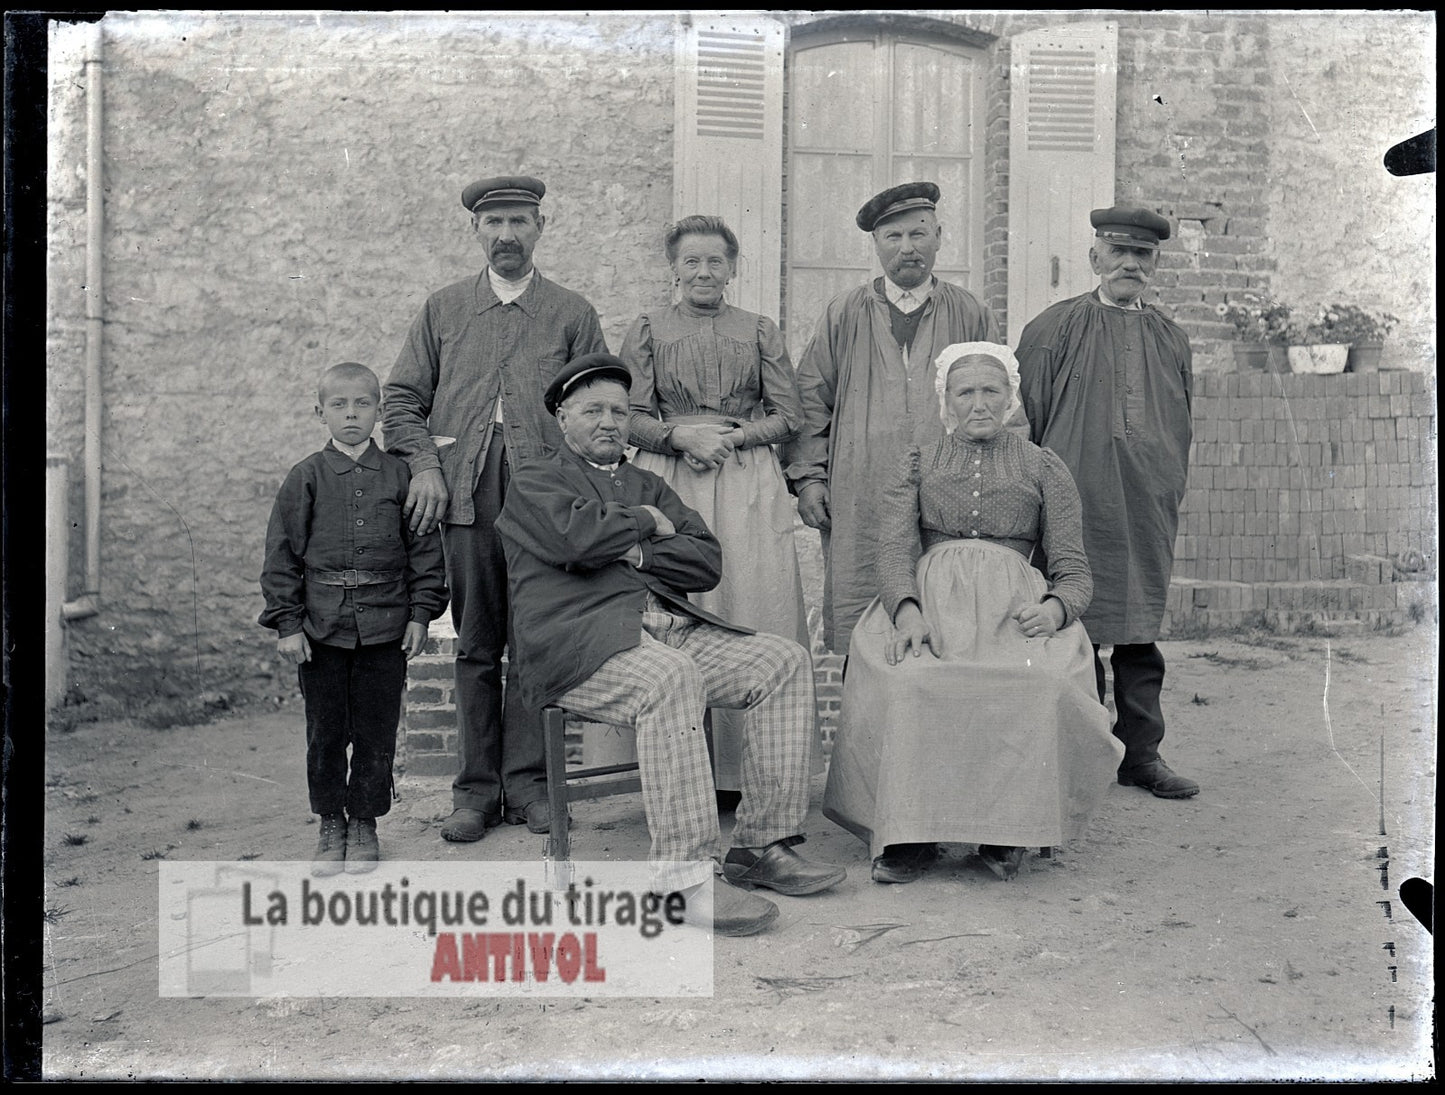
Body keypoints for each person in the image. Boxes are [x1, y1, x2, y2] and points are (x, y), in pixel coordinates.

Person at [494, 352, 846, 936]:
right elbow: (576, 541)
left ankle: (763, 845)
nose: (609, 422)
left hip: (665, 630)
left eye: (618, 411)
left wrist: (631, 544)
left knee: (782, 660)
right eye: (592, 411)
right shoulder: (536, 478)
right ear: (561, 418)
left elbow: (705, 561)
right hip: (577, 644)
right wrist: (647, 524)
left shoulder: (648, 480)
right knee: (670, 678)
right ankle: (683, 881)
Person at [822, 343, 1123, 885]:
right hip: (931, 608)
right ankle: (910, 834)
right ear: (946, 400)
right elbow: (893, 551)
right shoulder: (917, 461)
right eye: (966, 392)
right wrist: (907, 611)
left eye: (992, 391)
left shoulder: (1043, 466)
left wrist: (1055, 610)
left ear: (1010, 399)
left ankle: (1008, 830)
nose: (979, 403)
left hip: (1014, 612)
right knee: (910, 683)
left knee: (1041, 685)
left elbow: (1074, 568)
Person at [383, 174, 608, 842]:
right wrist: (427, 465)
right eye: (493, 224)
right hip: (468, 493)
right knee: (477, 643)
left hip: (545, 498)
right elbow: (399, 400)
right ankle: (475, 791)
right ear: (476, 232)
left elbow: (599, 408)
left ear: (540, 226)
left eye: (518, 222)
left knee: (535, 643)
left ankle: (532, 786)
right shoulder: (444, 310)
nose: (506, 236)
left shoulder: (571, 312)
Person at [620, 214, 817, 795]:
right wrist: (679, 437)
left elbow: (790, 415)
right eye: (691, 261)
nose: (703, 271)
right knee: (677, 604)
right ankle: (677, 773)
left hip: (742, 478)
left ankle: (750, 776)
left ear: (732, 268)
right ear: (674, 269)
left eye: (715, 261)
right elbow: (628, 414)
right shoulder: (648, 328)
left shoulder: (759, 329)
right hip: (670, 476)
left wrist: (730, 438)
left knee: (750, 600)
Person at [1015, 205, 1200, 799]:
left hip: (1146, 504)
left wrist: (1164, 479)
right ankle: (1085, 750)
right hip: (1076, 501)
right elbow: (1029, 425)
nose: (1129, 264)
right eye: (1117, 252)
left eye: (1141, 255)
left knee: (1140, 630)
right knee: (1078, 626)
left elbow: (1180, 420)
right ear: (1094, 257)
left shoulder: (1171, 337)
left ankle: (1142, 755)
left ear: (1155, 265)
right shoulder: (1054, 329)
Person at [784, 181, 1006, 655]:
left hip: (949, 491)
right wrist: (809, 480)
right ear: (876, 245)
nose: (907, 248)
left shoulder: (971, 313)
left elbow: (1003, 404)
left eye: (919, 234)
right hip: (861, 486)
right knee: (864, 616)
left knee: (948, 615)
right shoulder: (844, 313)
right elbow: (810, 398)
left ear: (940, 236)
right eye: (894, 237)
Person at [259, 362, 449, 875]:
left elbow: (425, 553)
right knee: (325, 730)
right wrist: (288, 625)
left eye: (362, 404)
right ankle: (330, 823)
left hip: (386, 627)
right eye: (338, 405)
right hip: (320, 630)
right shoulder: (306, 477)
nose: (351, 415)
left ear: (379, 411)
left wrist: (420, 615)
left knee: (375, 729)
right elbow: (281, 556)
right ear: (319, 412)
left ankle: (364, 822)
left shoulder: (399, 475)